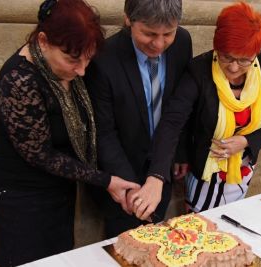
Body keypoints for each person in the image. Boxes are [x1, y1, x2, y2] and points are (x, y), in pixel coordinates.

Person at [0, 0, 140, 266]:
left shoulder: (66, 66)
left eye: (88, 59)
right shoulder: (19, 82)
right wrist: (105, 180)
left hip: (56, 191)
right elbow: (42, 155)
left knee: (59, 258)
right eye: (72, 60)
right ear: (43, 41)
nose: (81, 71)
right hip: (19, 197)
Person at [140, 2, 261, 214]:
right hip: (205, 168)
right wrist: (157, 174)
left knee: (234, 220)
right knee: (202, 225)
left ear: (255, 54)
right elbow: (174, 121)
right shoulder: (199, 70)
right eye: (226, 57)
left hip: (242, 168)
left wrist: (247, 141)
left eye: (244, 60)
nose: (234, 67)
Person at [85, 0, 192, 237]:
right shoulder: (104, 57)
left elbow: (180, 107)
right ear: (128, 20)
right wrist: (131, 187)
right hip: (122, 173)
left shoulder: (183, 42)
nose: (159, 44)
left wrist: (179, 153)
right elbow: (104, 131)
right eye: (149, 33)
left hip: (164, 165)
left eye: (168, 34)